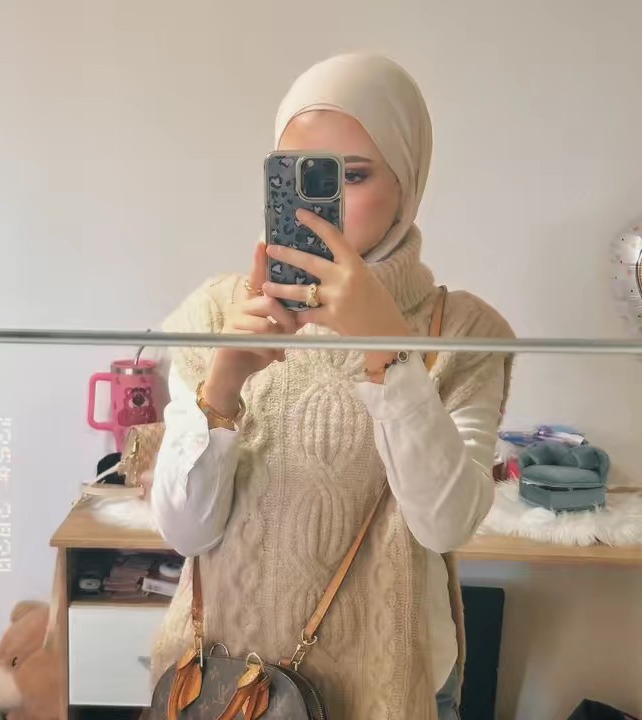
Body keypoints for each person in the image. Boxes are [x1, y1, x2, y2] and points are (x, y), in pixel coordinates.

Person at [148, 53, 514, 720]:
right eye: (301, 176)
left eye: (355, 174)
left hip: (391, 682)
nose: (326, 203)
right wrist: (223, 384)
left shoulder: (463, 331)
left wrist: (388, 353)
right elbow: (184, 533)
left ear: (408, 182)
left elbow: (444, 524)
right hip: (229, 686)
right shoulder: (217, 312)